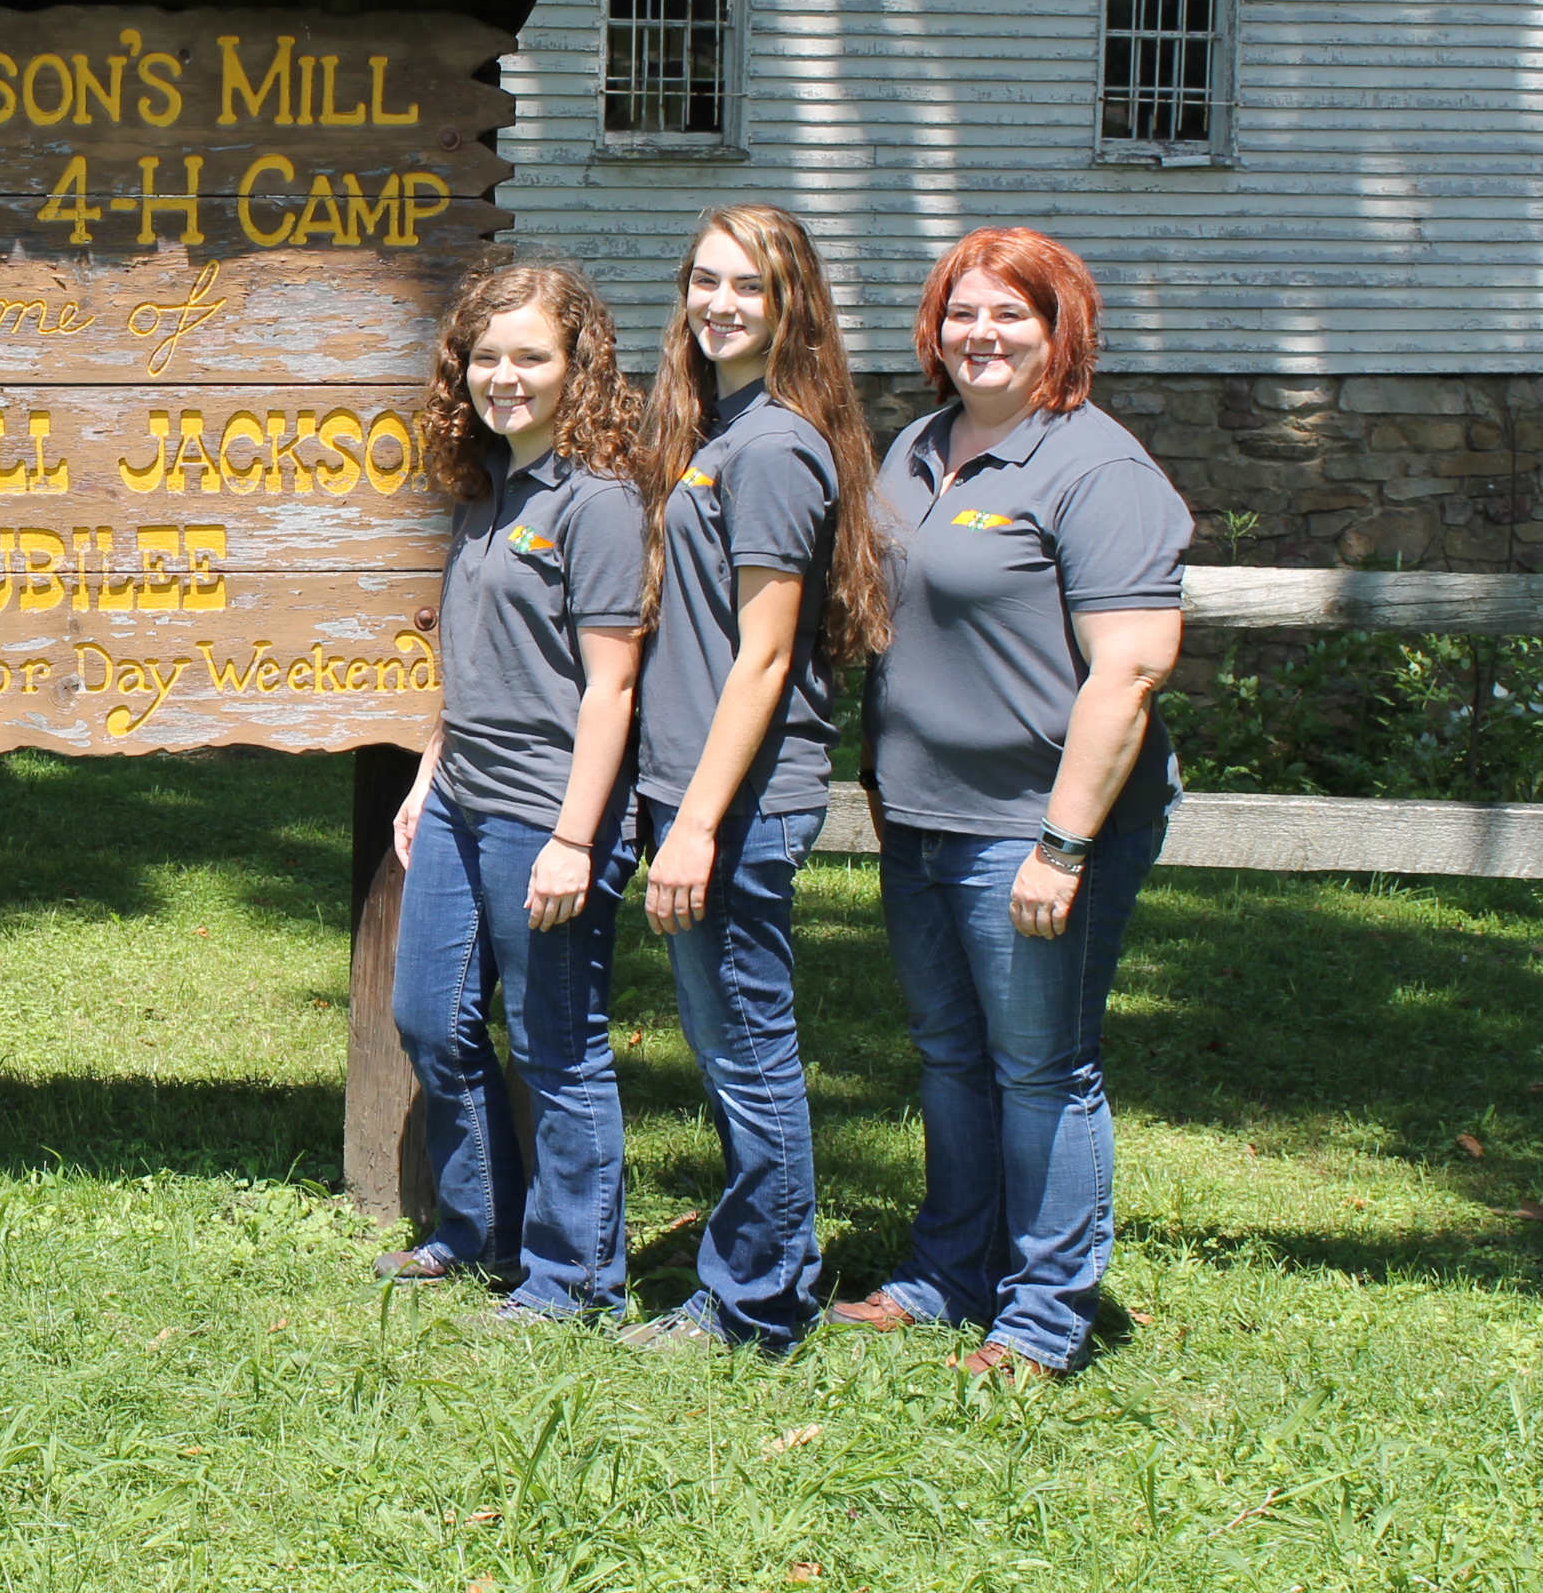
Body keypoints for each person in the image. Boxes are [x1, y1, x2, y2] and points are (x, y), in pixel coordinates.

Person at [831, 228, 1188, 1380]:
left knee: (1042, 1067)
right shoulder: (919, 448)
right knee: (949, 1055)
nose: (980, 335)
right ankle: (950, 1271)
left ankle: (1043, 1315)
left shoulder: (1097, 469)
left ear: (1059, 331)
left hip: (1035, 831)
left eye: (1010, 316)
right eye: (960, 314)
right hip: (922, 819)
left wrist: (1063, 841)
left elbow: (1128, 669)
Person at [624, 202, 894, 1352]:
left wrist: (693, 825)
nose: (720, 303)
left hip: (732, 805)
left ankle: (758, 1301)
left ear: (791, 308)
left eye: (748, 287)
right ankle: (756, 1279)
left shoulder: (776, 445)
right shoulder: (717, 433)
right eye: (704, 279)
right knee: (732, 1046)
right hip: (691, 790)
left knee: (748, 1055)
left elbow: (767, 654)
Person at [384, 264, 650, 1323]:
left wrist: (576, 839)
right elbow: (472, 655)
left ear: (576, 366)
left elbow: (613, 684)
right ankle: (477, 1228)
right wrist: (425, 776)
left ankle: (575, 1275)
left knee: (555, 1042)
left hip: (549, 808)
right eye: (486, 356)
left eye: (530, 355)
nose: (505, 376)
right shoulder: (487, 487)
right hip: (461, 796)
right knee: (427, 1019)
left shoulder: (600, 502)